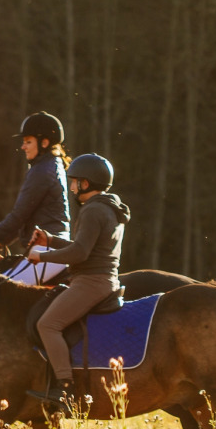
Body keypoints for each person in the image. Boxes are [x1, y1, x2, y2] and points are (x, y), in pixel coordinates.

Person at [26, 153, 130, 405]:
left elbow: (80, 253)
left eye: (75, 182)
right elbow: (83, 246)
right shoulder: (108, 207)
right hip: (102, 279)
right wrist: (50, 239)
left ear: (87, 183)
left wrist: (42, 256)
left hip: (91, 282)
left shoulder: (93, 210)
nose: (72, 187)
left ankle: (65, 388)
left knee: (47, 325)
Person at [0, 112, 70, 285]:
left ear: (44, 143)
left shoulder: (42, 171)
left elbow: (16, 219)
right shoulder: (50, 165)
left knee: (0, 293)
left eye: (28, 142)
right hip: (47, 250)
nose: (23, 147)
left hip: (47, 253)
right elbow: (22, 223)